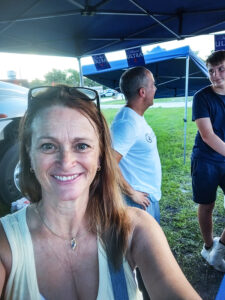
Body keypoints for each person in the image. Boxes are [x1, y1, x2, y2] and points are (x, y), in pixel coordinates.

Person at [0, 85, 201, 300]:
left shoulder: (136, 229)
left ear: (100, 157)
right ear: (29, 155)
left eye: (82, 146)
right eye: (48, 146)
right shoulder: (6, 242)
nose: (66, 162)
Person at [111, 66, 161, 223]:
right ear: (142, 92)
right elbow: (109, 162)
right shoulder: (127, 124)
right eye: (153, 85)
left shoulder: (134, 117)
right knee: (142, 247)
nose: (156, 88)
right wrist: (131, 193)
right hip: (137, 201)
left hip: (147, 197)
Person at [191, 50, 225, 272]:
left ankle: (220, 249)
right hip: (206, 160)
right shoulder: (201, 97)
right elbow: (207, 135)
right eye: (211, 71)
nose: (216, 75)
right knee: (207, 205)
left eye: (221, 69)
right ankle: (207, 246)